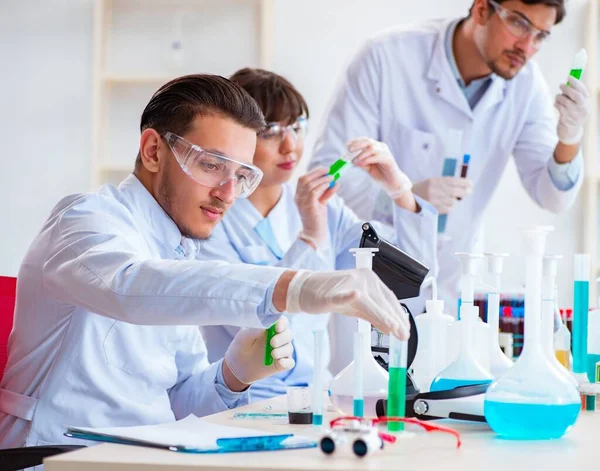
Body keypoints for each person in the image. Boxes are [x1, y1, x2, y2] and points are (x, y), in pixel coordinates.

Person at [0, 75, 411, 449]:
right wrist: (293, 285)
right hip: (55, 454)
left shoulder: (178, 251)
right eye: (212, 165)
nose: (228, 193)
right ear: (153, 150)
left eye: (242, 176)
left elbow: (180, 401)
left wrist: (234, 373)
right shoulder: (84, 220)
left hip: (147, 453)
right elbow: (128, 286)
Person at [310, 0, 590, 312]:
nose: (527, 46)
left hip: (454, 287)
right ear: (482, 9)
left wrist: (570, 138)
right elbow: (329, 175)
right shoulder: (386, 56)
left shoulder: (526, 86)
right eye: (519, 24)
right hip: (371, 280)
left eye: (540, 35)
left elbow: (552, 197)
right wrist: (402, 197)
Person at [196, 68, 437, 401]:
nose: (290, 146)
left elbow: (411, 276)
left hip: (316, 396)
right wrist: (310, 237)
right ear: (238, 136)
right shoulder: (210, 218)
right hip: (241, 401)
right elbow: (258, 335)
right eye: (272, 131)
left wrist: (398, 190)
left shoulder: (326, 207)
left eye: (297, 127)